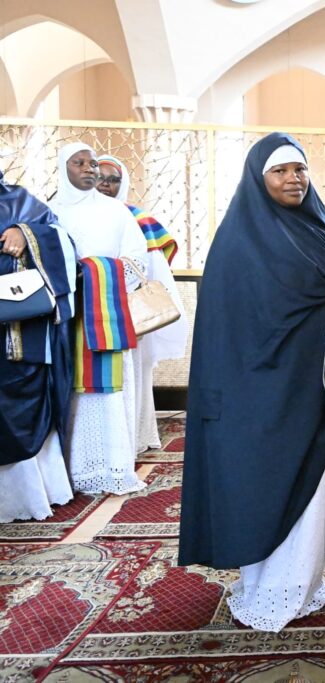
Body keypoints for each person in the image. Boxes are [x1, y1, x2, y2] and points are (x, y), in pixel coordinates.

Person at [178, 133, 325, 632]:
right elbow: (226, 329)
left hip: (315, 390)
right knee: (264, 485)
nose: (293, 179)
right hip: (257, 396)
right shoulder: (238, 240)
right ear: (259, 178)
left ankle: (300, 585)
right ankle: (268, 588)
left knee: (312, 486)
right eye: (280, 171)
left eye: (299, 169)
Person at [50, 143, 148, 495]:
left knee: (108, 397)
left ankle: (112, 466)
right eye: (80, 163)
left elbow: (137, 259)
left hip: (106, 314)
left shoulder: (116, 211)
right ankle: (69, 471)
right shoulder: (50, 211)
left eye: (93, 164)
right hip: (65, 317)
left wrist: (95, 273)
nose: (90, 169)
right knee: (67, 390)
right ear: (65, 169)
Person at [94, 154, 187, 454]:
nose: (105, 185)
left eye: (114, 179)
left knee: (132, 376)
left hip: (130, 311)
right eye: (100, 177)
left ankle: (132, 441)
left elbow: (154, 271)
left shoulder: (138, 218)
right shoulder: (78, 214)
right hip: (89, 311)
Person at [0, 171, 77, 522]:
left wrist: (27, 235)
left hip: (14, 332)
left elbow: (63, 241)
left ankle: (24, 498)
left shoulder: (20, 201)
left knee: (18, 397)